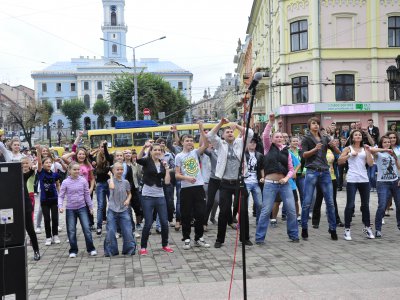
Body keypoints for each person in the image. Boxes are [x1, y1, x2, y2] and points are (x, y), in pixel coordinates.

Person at [207, 118, 254, 248]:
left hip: (239, 182)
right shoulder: (220, 144)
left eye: (231, 131)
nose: (229, 133)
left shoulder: (240, 142)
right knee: (224, 211)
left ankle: (245, 238)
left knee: (243, 211)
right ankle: (219, 239)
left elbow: (250, 133)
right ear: (223, 135)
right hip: (225, 183)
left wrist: (237, 126)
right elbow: (210, 135)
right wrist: (221, 123)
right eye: (226, 132)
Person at [255, 113, 299, 244]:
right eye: (277, 136)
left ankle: (293, 235)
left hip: (284, 184)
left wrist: (286, 179)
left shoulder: (287, 152)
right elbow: (265, 135)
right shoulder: (268, 148)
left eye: (281, 137)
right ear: (272, 139)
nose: (279, 138)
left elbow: (291, 169)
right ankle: (259, 238)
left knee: (291, 210)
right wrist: (270, 122)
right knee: (266, 210)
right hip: (270, 184)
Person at [300, 117, 340, 240]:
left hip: (325, 172)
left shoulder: (324, 137)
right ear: (309, 125)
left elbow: (337, 152)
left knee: (330, 202)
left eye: (317, 123)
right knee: (307, 202)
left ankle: (333, 229)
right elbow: (304, 155)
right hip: (312, 171)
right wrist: (315, 149)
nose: (316, 125)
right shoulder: (306, 138)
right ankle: (304, 228)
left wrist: (334, 146)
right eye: (313, 123)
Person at [175, 121, 210, 250]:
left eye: (191, 140)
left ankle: (199, 238)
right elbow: (177, 175)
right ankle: (187, 239)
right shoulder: (179, 156)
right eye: (187, 140)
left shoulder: (195, 152)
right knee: (186, 215)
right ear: (182, 143)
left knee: (200, 214)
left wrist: (201, 129)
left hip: (198, 188)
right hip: (186, 189)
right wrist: (187, 178)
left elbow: (206, 144)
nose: (189, 142)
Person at [136, 142, 174, 255]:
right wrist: (144, 147)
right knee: (148, 222)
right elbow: (138, 159)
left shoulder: (163, 163)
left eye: (159, 150)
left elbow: (167, 182)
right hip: (147, 195)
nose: (157, 152)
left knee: (164, 221)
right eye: (155, 150)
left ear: (162, 152)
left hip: (160, 195)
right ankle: (143, 247)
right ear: (151, 151)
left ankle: (165, 244)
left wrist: (167, 169)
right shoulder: (147, 161)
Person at [338, 129, 375, 240]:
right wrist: (349, 155)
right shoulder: (348, 148)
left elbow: (370, 163)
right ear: (352, 137)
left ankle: (367, 227)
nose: (358, 136)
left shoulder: (365, 148)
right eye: (356, 135)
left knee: (365, 205)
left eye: (359, 135)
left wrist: (368, 152)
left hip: (364, 179)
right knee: (350, 205)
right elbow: (339, 161)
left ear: (361, 137)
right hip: (352, 179)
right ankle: (347, 230)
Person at [58, 162, 97, 258]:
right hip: (70, 209)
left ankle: (91, 248)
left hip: (82, 207)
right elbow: (61, 196)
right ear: (69, 171)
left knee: (87, 229)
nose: (76, 171)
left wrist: (91, 207)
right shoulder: (65, 182)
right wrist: (60, 206)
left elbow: (87, 195)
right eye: (74, 169)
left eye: (78, 169)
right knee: (71, 230)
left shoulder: (83, 180)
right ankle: (73, 250)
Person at [369, 136, 400, 237]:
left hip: (395, 182)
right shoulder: (379, 154)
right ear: (381, 144)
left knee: (399, 205)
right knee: (382, 206)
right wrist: (385, 149)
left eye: (388, 142)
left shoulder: (393, 154)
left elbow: (398, 167)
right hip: (383, 183)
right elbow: (371, 149)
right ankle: (378, 229)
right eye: (385, 142)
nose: (387, 143)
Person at [104, 162, 136, 256]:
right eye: (117, 169)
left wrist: (128, 200)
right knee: (111, 231)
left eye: (121, 169)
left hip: (123, 210)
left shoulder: (126, 182)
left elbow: (129, 193)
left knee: (127, 230)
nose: (120, 171)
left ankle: (129, 250)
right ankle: (111, 251)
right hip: (112, 210)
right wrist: (110, 176)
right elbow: (112, 187)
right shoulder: (110, 181)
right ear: (113, 171)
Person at [35, 145, 61, 246]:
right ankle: (48, 237)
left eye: (50, 162)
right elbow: (40, 162)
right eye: (47, 162)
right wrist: (38, 150)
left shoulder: (54, 174)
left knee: (54, 218)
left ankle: (55, 235)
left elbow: (58, 184)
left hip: (54, 199)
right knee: (46, 219)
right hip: (44, 200)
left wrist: (60, 194)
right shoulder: (41, 173)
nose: (48, 164)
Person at [21, 157, 40, 260]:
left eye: (26, 163)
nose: (24, 165)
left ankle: (36, 251)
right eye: (22, 163)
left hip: (27, 206)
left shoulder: (24, 176)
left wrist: (33, 167)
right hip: (16, 208)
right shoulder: (14, 176)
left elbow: (32, 171)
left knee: (30, 230)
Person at [244, 138, 264, 224]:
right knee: (245, 205)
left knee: (259, 204)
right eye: (250, 142)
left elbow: (262, 168)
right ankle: (244, 221)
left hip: (256, 182)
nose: (252, 144)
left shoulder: (259, 155)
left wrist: (263, 177)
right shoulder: (243, 154)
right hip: (246, 182)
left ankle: (259, 221)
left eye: (254, 143)